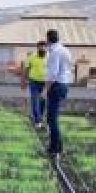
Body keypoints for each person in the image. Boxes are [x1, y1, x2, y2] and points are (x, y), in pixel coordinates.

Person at [42, 29, 73, 157]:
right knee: (53, 117)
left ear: (48, 39)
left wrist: (45, 90)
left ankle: (56, 148)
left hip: (56, 85)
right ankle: (56, 146)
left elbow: (53, 74)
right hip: (64, 84)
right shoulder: (65, 50)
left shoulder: (54, 52)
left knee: (51, 118)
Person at [24, 41, 48, 128]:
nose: (42, 48)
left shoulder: (49, 57)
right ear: (37, 48)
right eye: (40, 47)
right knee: (35, 101)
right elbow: (26, 68)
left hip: (45, 83)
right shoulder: (32, 57)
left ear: (46, 48)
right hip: (34, 82)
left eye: (44, 47)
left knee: (42, 101)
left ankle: (40, 118)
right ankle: (37, 121)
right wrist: (24, 80)